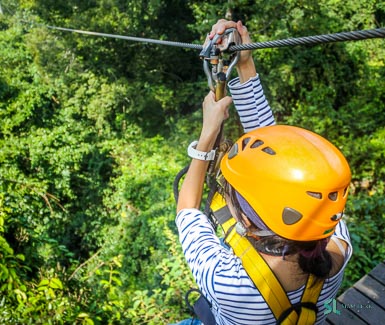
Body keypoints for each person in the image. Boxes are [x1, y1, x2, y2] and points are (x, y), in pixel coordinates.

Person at [175, 19, 352, 325]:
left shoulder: (229, 285)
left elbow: (187, 210)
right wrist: (246, 65)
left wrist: (208, 133)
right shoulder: (338, 245)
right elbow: (275, 151)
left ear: (246, 219)